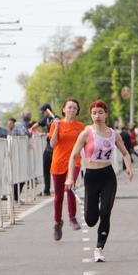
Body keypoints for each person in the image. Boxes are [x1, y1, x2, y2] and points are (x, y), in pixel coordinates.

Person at [66, 100, 133, 262]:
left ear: (106, 114)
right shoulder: (85, 133)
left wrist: (128, 167)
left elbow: (125, 153)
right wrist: (70, 177)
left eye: (100, 112)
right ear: (91, 115)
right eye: (94, 112)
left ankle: (99, 248)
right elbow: (74, 155)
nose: (97, 116)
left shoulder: (113, 134)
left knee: (105, 212)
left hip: (107, 176)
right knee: (90, 220)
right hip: (91, 176)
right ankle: (91, 212)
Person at [47, 98, 85, 241]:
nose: (72, 110)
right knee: (58, 195)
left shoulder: (80, 126)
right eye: (69, 107)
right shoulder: (56, 124)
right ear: (63, 109)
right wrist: (56, 127)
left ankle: (72, 217)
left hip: (74, 162)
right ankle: (57, 222)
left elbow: (85, 143)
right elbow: (52, 144)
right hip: (58, 163)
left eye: (75, 108)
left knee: (70, 188)